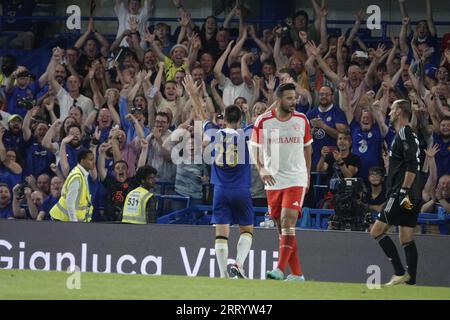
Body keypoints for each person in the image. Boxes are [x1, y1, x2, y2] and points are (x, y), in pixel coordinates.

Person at [250, 83, 313, 281]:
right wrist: (261, 167)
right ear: (278, 100)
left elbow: (308, 149)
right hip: (273, 181)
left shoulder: (302, 119)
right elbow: (254, 147)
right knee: (281, 227)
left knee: (288, 220)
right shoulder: (264, 121)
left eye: (295, 98)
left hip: (296, 178)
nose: (294, 102)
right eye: (289, 98)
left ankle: (279, 269)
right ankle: (297, 274)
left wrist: (308, 174)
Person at [370, 99, 421, 286]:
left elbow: (412, 165)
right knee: (406, 235)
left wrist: (403, 191)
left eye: (392, 109)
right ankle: (411, 281)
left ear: (399, 111)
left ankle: (399, 272)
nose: (390, 113)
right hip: (412, 197)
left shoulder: (404, 133)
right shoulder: (407, 134)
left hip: (403, 194)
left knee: (376, 231)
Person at [208, 105, 254, 279]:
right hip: (241, 189)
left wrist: (193, 95)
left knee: (221, 234)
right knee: (247, 230)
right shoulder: (246, 134)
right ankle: (238, 264)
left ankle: (223, 274)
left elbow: (202, 115)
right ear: (240, 120)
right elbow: (261, 120)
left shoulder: (214, 133)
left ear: (224, 119)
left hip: (220, 190)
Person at [49, 150, 95, 222]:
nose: (93, 162)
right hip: (61, 220)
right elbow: (70, 202)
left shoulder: (81, 174)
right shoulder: (76, 177)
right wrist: (73, 223)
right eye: (91, 160)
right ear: (82, 161)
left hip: (65, 220)